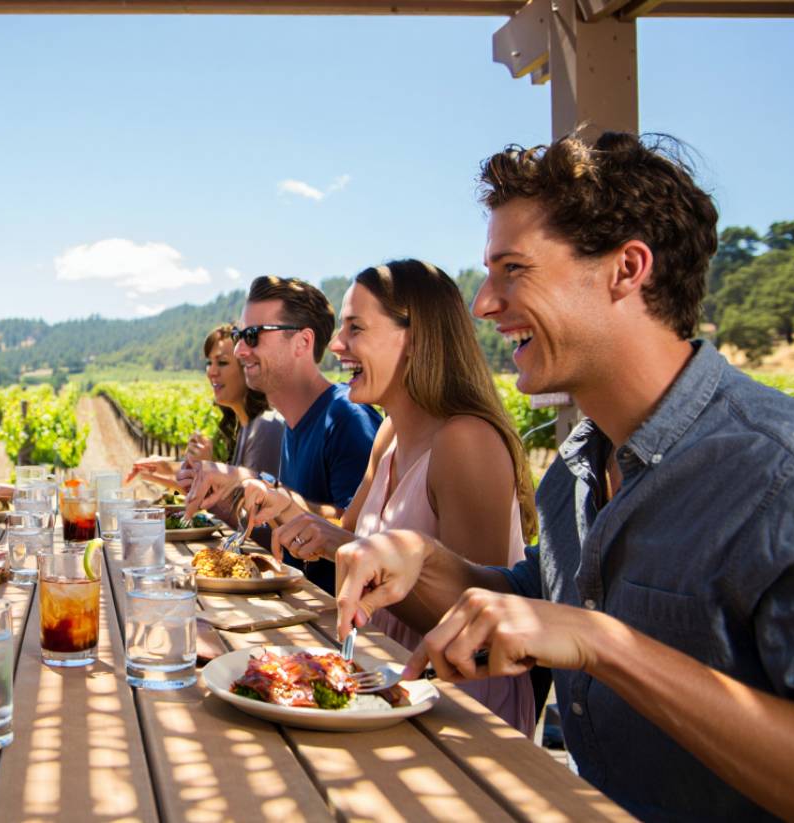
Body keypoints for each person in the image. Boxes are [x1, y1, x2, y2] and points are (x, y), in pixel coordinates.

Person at [332, 132, 794, 821]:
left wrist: (606, 644)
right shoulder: (575, 467)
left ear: (626, 268)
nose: (483, 304)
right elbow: (532, 602)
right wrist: (423, 561)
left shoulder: (778, 476)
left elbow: (580, 631)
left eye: (513, 269)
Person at [238, 260, 539, 734]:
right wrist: (291, 512)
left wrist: (338, 544)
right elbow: (350, 543)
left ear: (415, 338)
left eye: (355, 329)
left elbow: (470, 624)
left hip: (454, 707)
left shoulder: (466, 441)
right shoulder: (391, 434)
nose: (336, 345)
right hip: (384, 681)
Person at [183, 276, 381, 590]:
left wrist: (266, 489)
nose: (239, 350)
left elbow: (361, 539)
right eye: (238, 336)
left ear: (303, 342)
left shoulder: (346, 418)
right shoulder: (295, 424)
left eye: (252, 336)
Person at [129, 325, 284, 537]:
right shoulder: (246, 428)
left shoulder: (265, 429)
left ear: (248, 366)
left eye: (222, 362)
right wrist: (166, 469)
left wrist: (206, 475)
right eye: (209, 363)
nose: (211, 371)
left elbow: (253, 523)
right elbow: (233, 498)